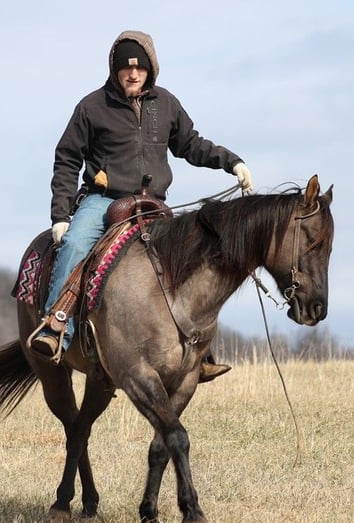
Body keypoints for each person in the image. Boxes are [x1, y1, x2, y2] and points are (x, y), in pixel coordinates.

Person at [32, 30, 253, 381]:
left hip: (153, 206)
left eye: (139, 68)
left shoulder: (166, 104)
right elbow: (67, 159)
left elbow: (191, 145)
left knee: (193, 257)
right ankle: (56, 326)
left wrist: (232, 162)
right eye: (125, 68)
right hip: (103, 202)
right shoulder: (91, 106)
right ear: (114, 70)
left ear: (151, 70)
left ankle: (200, 350)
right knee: (74, 245)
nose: (132, 74)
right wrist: (60, 215)